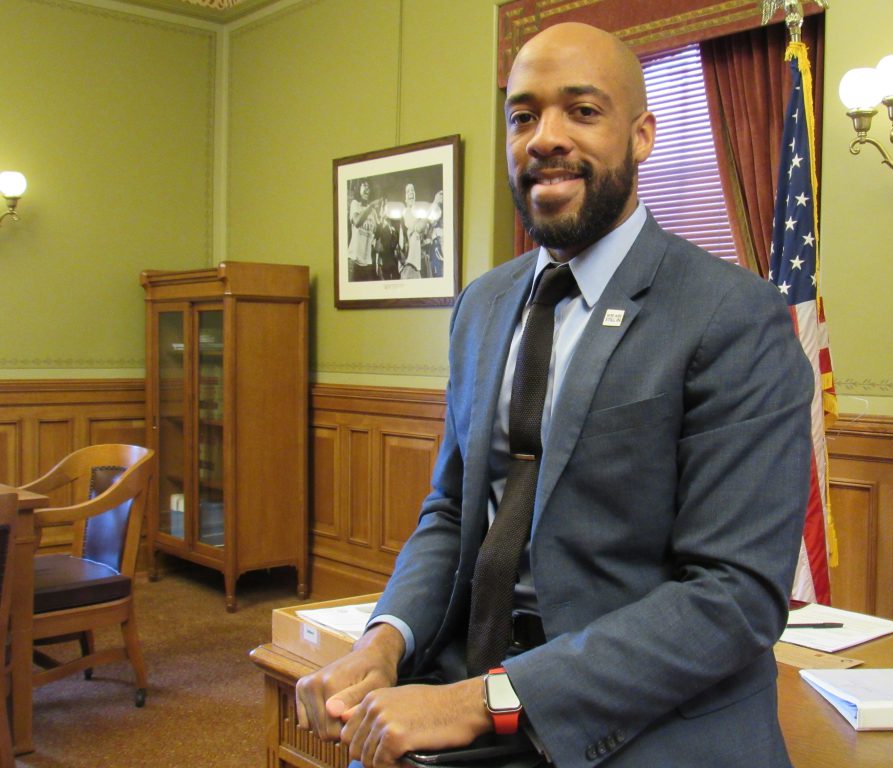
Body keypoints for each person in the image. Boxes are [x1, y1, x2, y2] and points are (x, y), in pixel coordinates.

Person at [297, 21, 813, 768]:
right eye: (523, 114)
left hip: (641, 723)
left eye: (582, 110)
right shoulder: (483, 304)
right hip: (463, 679)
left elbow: (733, 596)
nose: (545, 137)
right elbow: (451, 511)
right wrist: (386, 642)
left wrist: (485, 702)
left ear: (641, 135)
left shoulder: (734, 316)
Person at [349, 179, 382, 281]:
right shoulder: (355, 204)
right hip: (353, 262)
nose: (367, 189)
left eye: (369, 187)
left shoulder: (373, 212)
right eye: (364, 186)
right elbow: (357, 222)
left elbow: (377, 237)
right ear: (359, 188)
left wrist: (382, 216)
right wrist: (371, 206)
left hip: (367, 264)